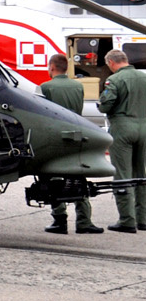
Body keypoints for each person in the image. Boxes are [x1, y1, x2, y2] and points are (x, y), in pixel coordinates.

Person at [38, 54, 102, 234]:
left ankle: (59, 220)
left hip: (54, 136)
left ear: (51, 67)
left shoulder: (46, 87)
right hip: (76, 135)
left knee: (52, 176)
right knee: (78, 176)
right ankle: (84, 221)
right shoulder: (77, 86)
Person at [97, 49, 146, 233]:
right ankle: (143, 219)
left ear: (111, 62)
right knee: (142, 174)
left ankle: (127, 220)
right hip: (144, 127)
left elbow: (105, 105)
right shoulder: (144, 77)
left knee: (123, 175)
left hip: (123, 128)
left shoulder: (115, 80)